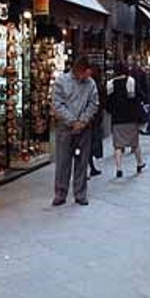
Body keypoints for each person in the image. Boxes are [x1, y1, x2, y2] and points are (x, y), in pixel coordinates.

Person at [51, 56, 99, 206]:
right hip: (65, 128)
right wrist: (72, 121)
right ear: (79, 70)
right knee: (63, 162)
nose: (88, 76)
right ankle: (60, 193)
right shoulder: (61, 82)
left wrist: (83, 121)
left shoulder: (91, 84)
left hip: (84, 129)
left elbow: (94, 103)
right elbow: (57, 105)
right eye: (86, 73)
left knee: (82, 162)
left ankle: (80, 194)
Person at [106, 62, 146, 178]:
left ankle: (119, 168)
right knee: (135, 143)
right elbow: (140, 96)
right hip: (131, 118)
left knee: (118, 145)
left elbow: (107, 103)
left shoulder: (110, 84)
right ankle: (139, 163)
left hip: (117, 119)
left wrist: (112, 111)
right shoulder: (131, 82)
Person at [88, 65, 106, 178]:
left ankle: (90, 166)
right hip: (93, 118)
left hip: (90, 118)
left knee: (88, 143)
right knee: (90, 142)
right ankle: (89, 167)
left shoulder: (89, 86)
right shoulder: (98, 87)